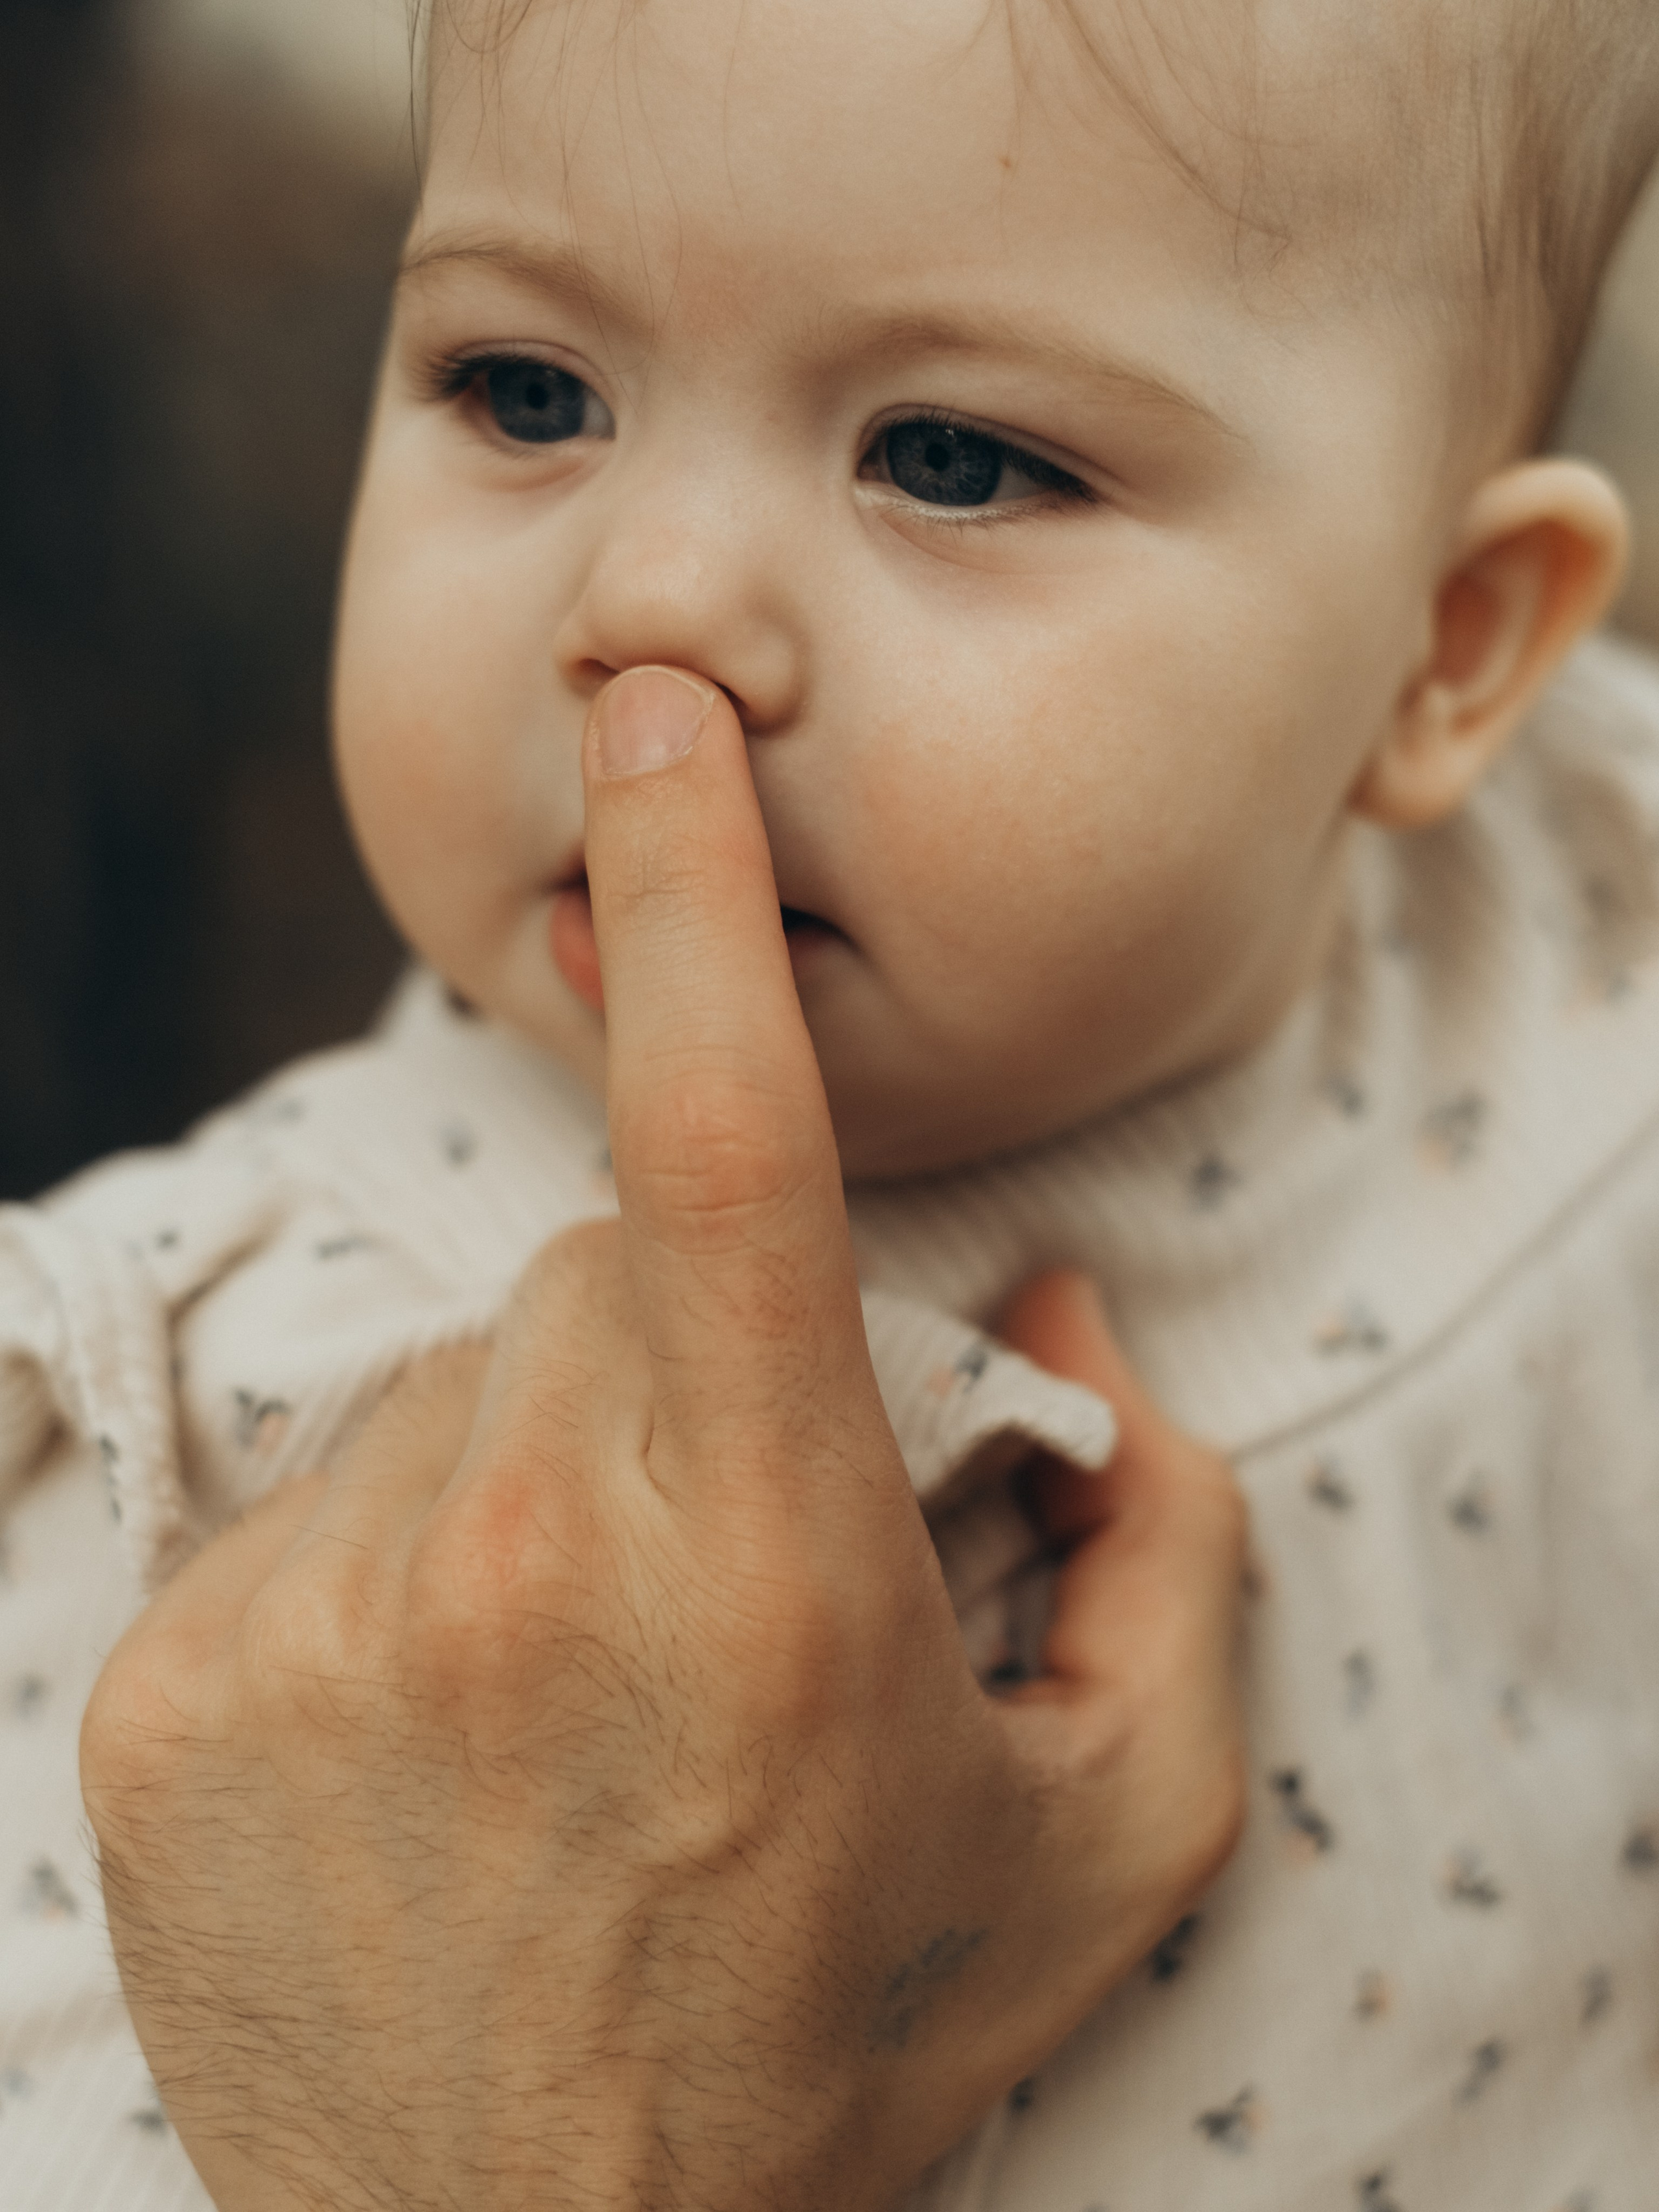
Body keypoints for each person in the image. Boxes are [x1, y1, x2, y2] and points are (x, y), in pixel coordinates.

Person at [5, 0, 1659, 2202]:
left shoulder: (1591, 911)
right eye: (528, 392)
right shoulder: (221, 1412)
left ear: (1450, 650)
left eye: (953, 457)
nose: (648, 603)